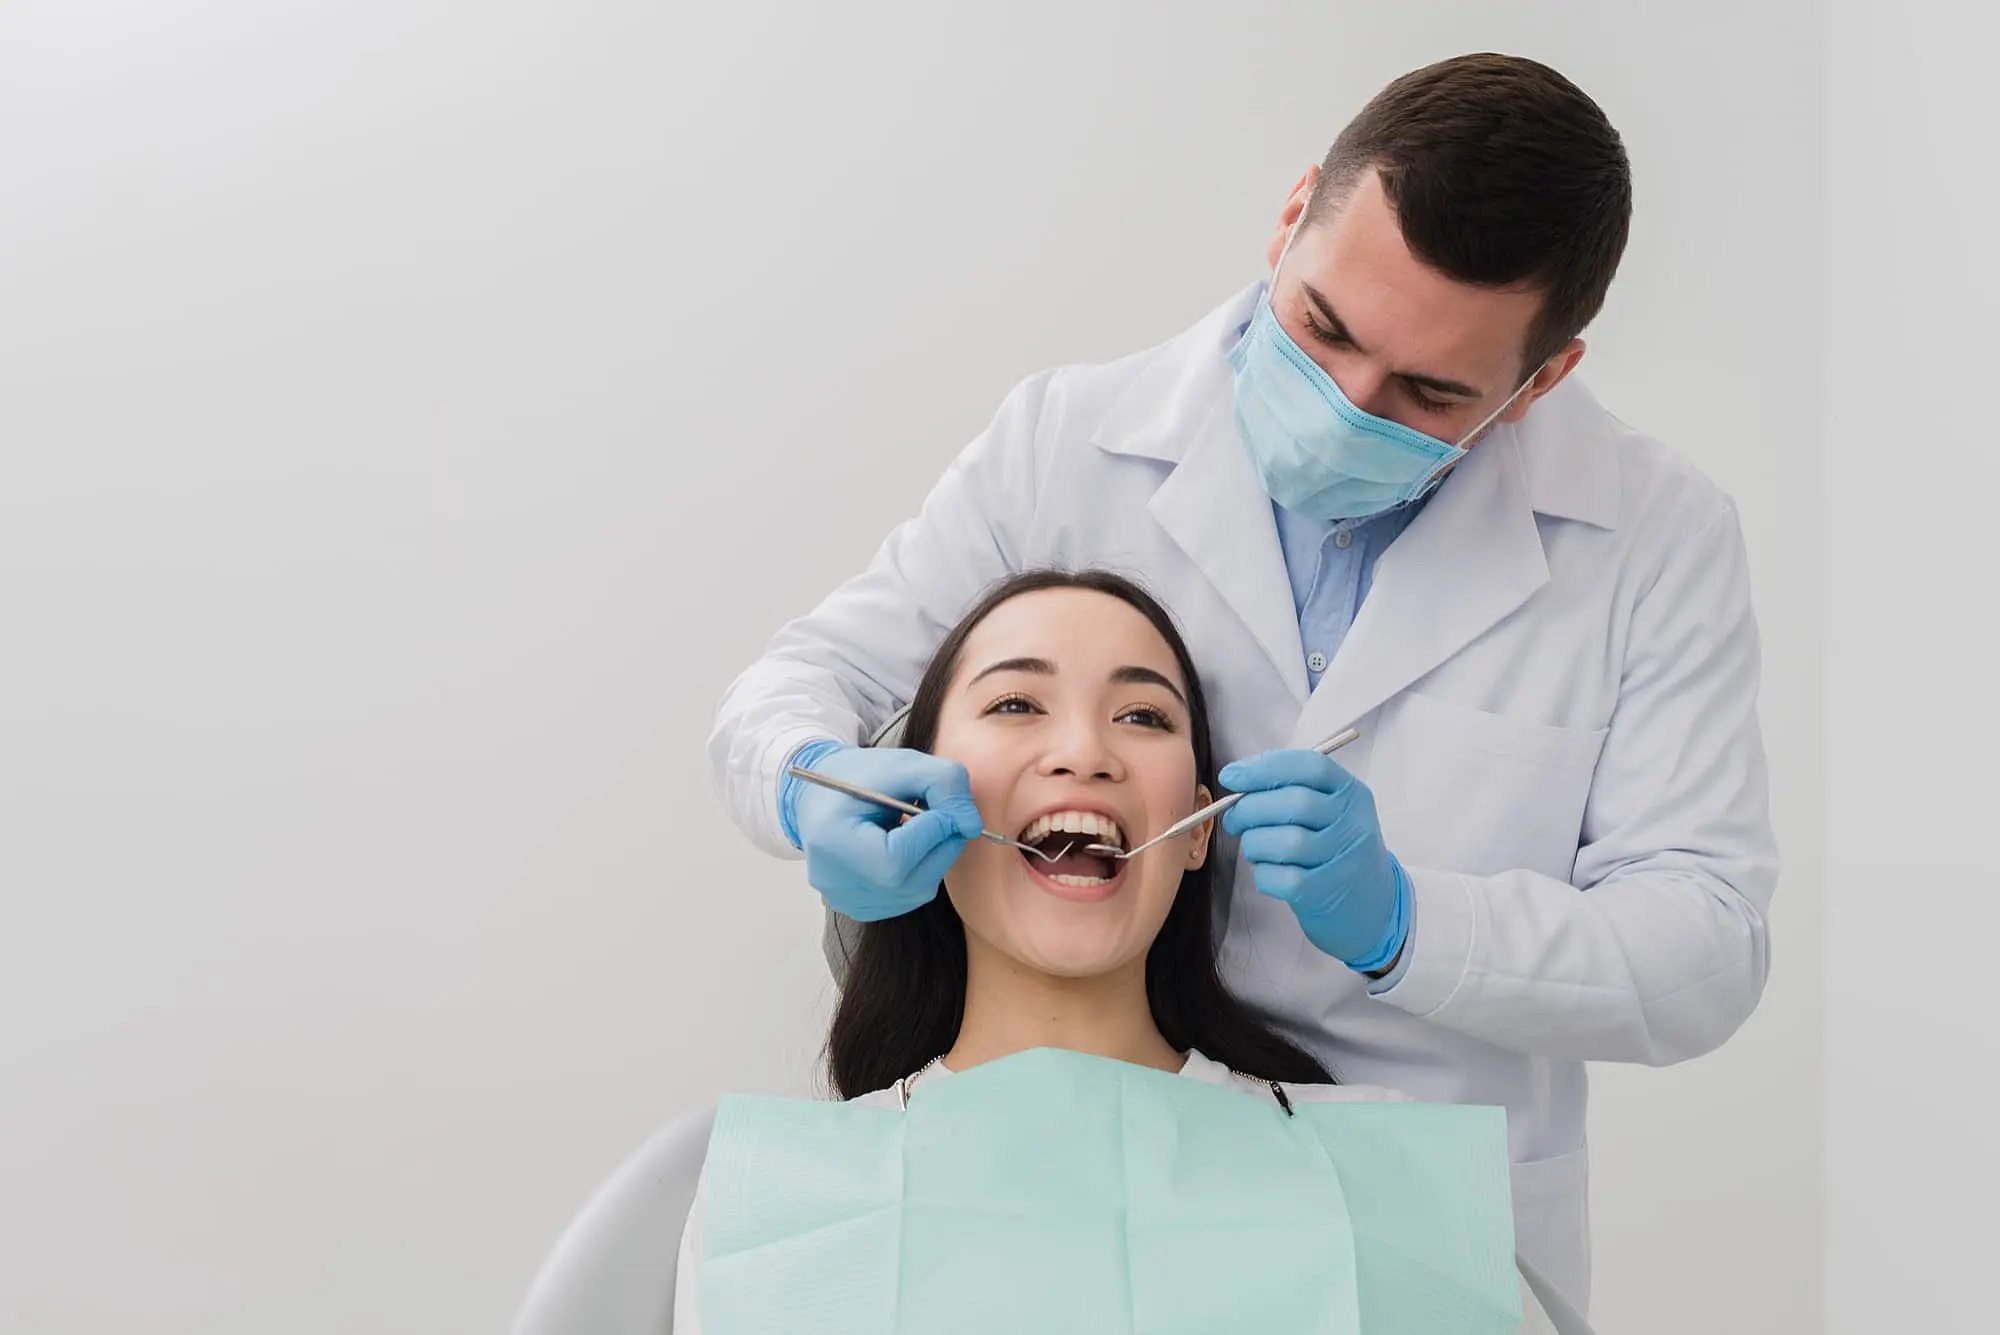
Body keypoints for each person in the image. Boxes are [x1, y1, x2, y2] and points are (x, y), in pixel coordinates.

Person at [708, 52, 1778, 1310]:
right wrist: (803, 782)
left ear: (1541, 381)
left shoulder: (1651, 541)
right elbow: (801, 683)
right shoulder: (1067, 439)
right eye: (1321, 329)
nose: (1343, 404)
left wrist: (1403, 922)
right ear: (1292, 215)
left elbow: (1704, 949)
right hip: (1055, 1164)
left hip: (1422, 1236)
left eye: (1428, 393)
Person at [679, 570, 1575, 1333]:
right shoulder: (781, 1202)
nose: (1084, 752)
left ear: (1196, 829)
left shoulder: (1387, 1178)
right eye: (1016, 703)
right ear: (913, 798)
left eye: (1143, 715)